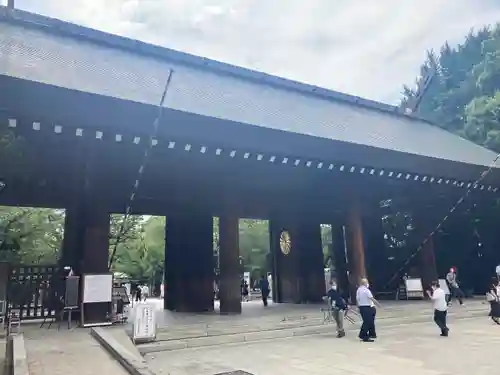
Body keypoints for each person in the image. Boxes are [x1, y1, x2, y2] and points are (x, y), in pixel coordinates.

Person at [356, 278, 381, 342]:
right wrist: (378, 304)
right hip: (367, 307)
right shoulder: (366, 290)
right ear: (364, 283)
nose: (368, 284)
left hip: (362, 307)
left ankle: (372, 333)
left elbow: (357, 300)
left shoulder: (358, 290)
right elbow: (372, 298)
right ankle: (363, 335)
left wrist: (358, 307)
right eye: (367, 282)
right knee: (367, 322)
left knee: (369, 321)